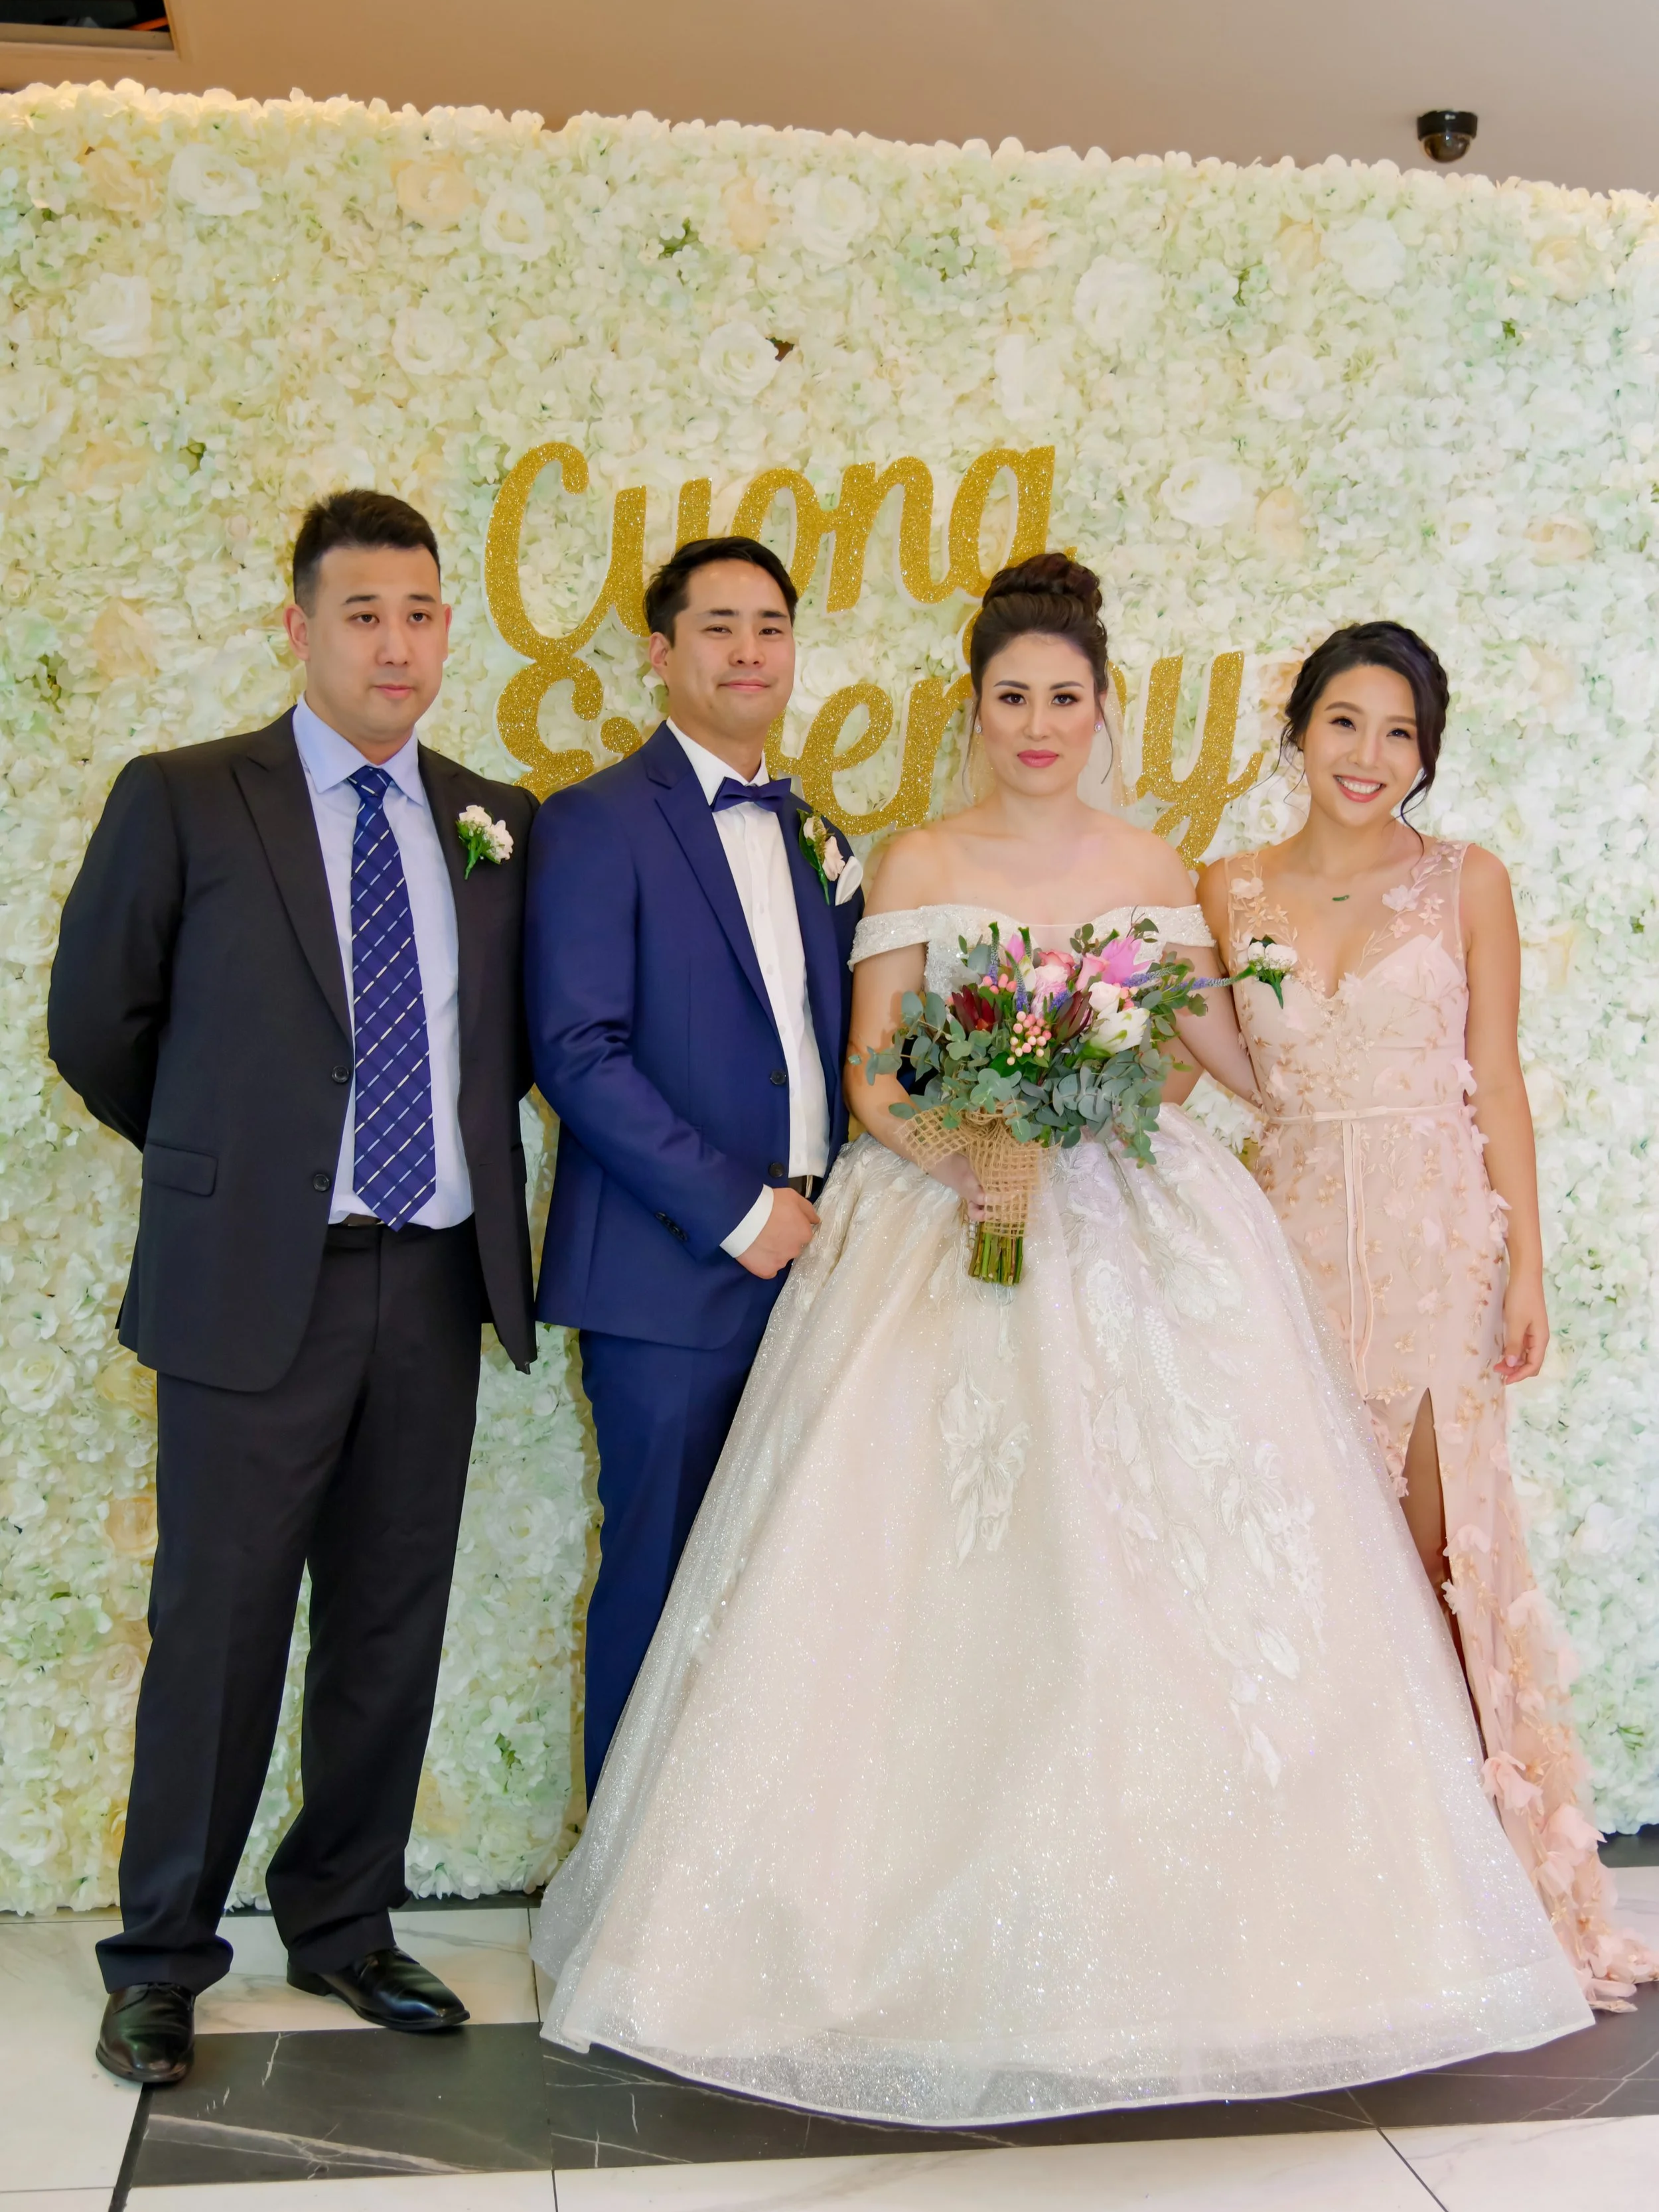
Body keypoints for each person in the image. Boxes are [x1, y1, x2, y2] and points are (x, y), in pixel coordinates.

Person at [530, 555, 1591, 2126]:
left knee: (1159, 1566)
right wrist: (968, 1143)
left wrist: (1117, 1094)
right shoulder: (907, 855)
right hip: (938, 1230)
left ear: (1104, 712)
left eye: (1065, 698)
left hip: (1132, 1240)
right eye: (1013, 698)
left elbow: (1200, 1054)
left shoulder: (1158, 860)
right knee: (927, 1577)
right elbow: (874, 1068)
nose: (1039, 723)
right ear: (978, 709)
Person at [48, 490, 538, 2087]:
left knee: (388, 1621)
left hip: (434, 1279)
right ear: (299, 628)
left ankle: (342, 1925)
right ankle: (161, 1958)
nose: (396, 644)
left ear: (445, 628)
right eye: (362, 614)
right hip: (258, 1281)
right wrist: (233, 1162)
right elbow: (97, 1025)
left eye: (421, 613)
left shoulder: (490, 819)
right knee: (220, 1624)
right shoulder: (189, 799)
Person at [1199, 621, 1658, 2008]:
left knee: (1439, 1559)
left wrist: (1523, 1262)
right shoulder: (1222, 887)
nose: (1369, 757)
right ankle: (1335, 1892)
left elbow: (1496, 1079)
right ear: (1296, 733)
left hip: (1429, 1248)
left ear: (1426, 755)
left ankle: (1479, 1894)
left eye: (1399, 733)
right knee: (1306, 1569)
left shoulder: (1464, 882)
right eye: (1345, 722)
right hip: (1280, 1254)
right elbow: (1206, 1065)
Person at [526, 535, 863, 1804]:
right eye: (717, 627)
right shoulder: (595, 822)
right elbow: (577, 1049)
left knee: (788, 1599)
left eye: (770, 627)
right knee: (660, 1580)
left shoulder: (821, 835)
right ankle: (619, 1913)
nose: (748, 651)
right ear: (659, 654)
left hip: (823, 1274)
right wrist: (736, 1210)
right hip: (671, 1280)